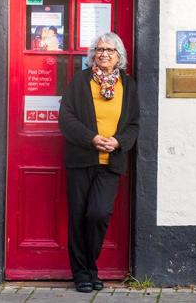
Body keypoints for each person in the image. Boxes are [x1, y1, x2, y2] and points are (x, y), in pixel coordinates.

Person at [58, 32, 139, 293]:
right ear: (93, 54)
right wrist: (92, 138)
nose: (104, 54)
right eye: (100, 49)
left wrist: (117, 142)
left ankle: (89, 266)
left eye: (110, 50)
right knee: (79, 216)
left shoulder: (127, 85)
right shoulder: (80, 82)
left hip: (111, 162)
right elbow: (66, 118)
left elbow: (134, 124)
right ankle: (82, 273)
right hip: (81, 160)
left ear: (119, 57)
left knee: (98, 214)